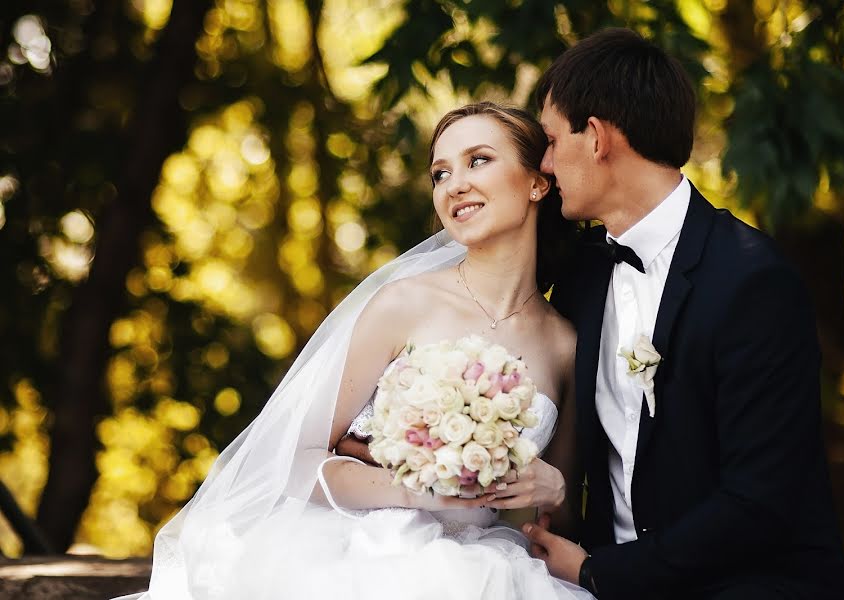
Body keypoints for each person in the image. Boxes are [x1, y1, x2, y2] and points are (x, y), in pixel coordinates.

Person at [116, 102, 595, 600]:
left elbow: (552, 526)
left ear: (538, 182)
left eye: (479, 160)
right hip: (357, 556)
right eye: (440, 173)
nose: (454, 185)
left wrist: (553, 486)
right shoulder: (404, 303)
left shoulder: (565, 343)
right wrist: (416, 489)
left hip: (488, 572)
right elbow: (295, 461)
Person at [519, 27, 844, 600]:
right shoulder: (583, 275)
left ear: (597, 136)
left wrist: (599, 574)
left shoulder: (752, 279)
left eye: (551, 140)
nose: (546, 164)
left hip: (749, 586)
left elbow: (759, 502)